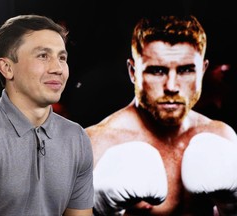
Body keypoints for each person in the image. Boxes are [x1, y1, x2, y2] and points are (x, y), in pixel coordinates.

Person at [85, 15, 237, 215]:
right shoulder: (96, 144)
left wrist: (231, 208)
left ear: (202, 70)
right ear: (132, 72)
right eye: (157, 71)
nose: (172, 87)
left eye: (185, 70)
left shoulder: (221, 136)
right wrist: (99, 209)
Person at [0, 14, 94, 216]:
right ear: (7, 68)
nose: (57, 68)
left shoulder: (76, 138)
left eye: (62, 57)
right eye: (43, 56)